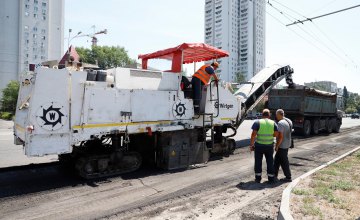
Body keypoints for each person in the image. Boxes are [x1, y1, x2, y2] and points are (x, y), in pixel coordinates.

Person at [250, 109, 283, 183]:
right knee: (270, 161)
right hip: (269, 146)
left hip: (259, 146)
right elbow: (276, 134)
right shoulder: (273, 123)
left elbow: (253, 135)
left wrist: (251, 145)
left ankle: (258, 178)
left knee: (258, 161)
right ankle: (271, 178)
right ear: (269, 115)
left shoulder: (257, 122)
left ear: (262, 114)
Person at [274, 109, 293, 182]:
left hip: (282, 145)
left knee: (284, 161)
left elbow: (280, 136)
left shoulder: (281, 123)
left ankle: (288, 177)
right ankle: (274, 175)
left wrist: (277, 146)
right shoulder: (289, 120)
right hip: (288, 143)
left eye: (276, 115)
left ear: (279, 114)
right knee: (277, 160)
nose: (276, 116)